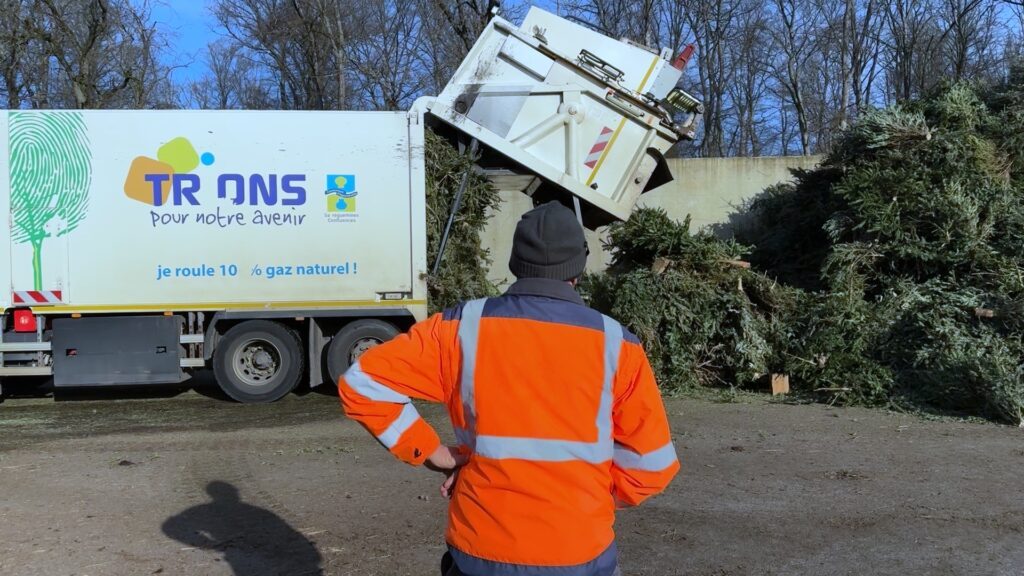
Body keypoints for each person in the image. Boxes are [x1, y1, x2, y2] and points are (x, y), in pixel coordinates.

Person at [338, 201, 679, 576]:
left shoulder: (459, 328)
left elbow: (363, 382)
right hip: (580, 550)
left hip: (480, 549)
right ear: (579, 267)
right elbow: (652, 465)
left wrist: (433, 452)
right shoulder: (618, 345)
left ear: (515, 262)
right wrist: (588, 498)